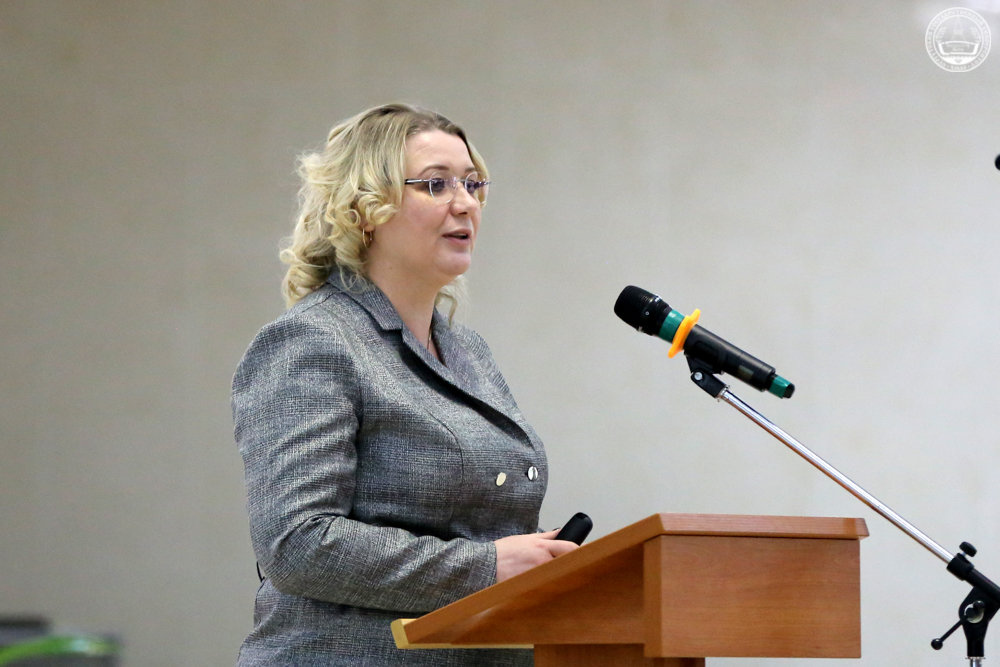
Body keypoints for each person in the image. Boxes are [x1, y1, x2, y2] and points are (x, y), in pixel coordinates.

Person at [231, 103, 577, 666]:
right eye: (436, 184)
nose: (465, 203)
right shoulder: (312, 342)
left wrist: (540, 557)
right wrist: (488, 566)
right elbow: (296, 543)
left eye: (472, 183)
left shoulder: (468, 352)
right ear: (364, 210)